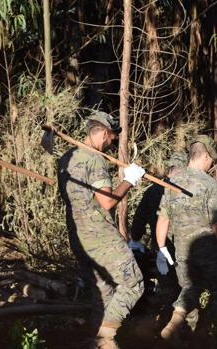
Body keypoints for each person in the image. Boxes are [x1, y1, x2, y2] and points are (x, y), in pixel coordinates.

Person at [58, 111, 146, 349]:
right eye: (112, 139)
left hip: (78, 238)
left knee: (103, 291)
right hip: (101, 238)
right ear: (105, 133)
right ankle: (105, 338)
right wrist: (130, 180)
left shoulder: (67, 157)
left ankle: (97, 345)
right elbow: (107, 202)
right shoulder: (95, 159)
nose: (111, 144)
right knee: (134, 283)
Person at [155, 135, 217, 343]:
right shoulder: (210, 184)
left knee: (190, 288)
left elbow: (163, 219)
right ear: (207, 157)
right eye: (212, 160)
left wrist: (162, 249)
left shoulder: (172, 182)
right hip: (207, 249)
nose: (211, 164)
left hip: (182, 249)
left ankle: (180, 329)